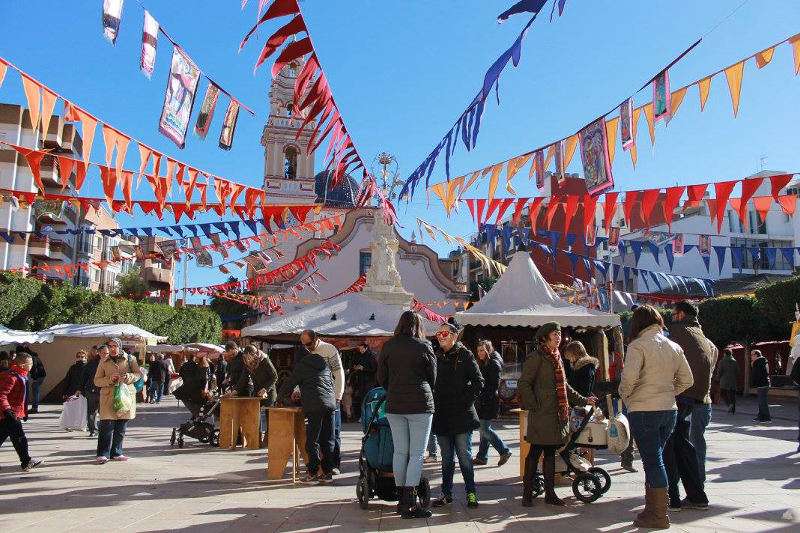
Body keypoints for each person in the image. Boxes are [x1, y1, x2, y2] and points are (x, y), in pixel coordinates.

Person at [619, 305, 693, 529]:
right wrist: (669, 392)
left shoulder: (637, 346)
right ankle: (653, 509)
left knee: (653, 461)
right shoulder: (674, 346)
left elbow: (628, 379)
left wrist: (626, 396)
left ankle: (659, 514)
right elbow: (687, 380)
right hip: (669, 410)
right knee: (656, 458)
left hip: (644, 409)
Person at [519, 322, 594, 507]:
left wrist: (584, 400)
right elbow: (524, 384)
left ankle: (550, 494)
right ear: (544, 337)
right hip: (542, 414)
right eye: (555, 334)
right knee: (535, 452)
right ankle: (527, 495)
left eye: (560, 334)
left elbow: (565, 387)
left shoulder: (557, 356)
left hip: (556, 414)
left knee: (551, 453)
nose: (558, 337)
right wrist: (534, 405)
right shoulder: (536, 357)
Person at [378, 311, 437, 519]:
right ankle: (410, 502)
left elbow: (381, 377)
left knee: (400, 452)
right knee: (416, 453)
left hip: (395, 404)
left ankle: (402, 499)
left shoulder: (388, 346)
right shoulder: (424, 346)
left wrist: (394, 388)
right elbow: (432, 377)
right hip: (420, 403)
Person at [665, 300, 717, 503]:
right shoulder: (702, 336)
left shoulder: (678, 332)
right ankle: (696, 490)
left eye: (674, 313)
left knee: (677, 445)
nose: (672, 317)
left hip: (683, 395)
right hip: (703, 397)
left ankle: (677, 494)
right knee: (693, 445)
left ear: (680, 315)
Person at [430, 318, 484, 509]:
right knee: (446, 459)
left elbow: (479, 382)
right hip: (442, 415)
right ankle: (446, 494)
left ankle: (471, 493)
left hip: (462, 415)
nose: (441, 337)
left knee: (464, 456)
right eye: (438, 334)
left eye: (444, 334)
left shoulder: (465, 355)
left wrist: (464, 400)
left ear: (453, 336)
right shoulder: (435, 356)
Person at [278, 340, 337, 484]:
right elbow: (329, 381)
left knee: (312, 440)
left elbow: (290, 382)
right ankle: (328, 472)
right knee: (328, 438)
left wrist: (279, 397)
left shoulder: (302, 366)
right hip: (330, 403)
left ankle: (312, 473)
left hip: (314, 405)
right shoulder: (324, 364)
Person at [300, 330, 344, 474]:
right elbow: (302, 374)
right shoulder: (306, 352)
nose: (307, 347)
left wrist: (338, 394)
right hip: (315, 398)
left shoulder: (329, 349)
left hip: (331, 396)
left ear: (316, 339)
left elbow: (338, 372)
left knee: (333, 432)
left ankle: (334, 464)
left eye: (309, 344)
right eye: (304, 344)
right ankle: (321, 466)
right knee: (318, 435)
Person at [93, 338, 140, 463]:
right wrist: (109, 379)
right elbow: (97, 381)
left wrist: (128, 376)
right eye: (110, 346)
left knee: (121, 427)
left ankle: (117, 453)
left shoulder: (130, 359)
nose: (112, 348)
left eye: (115, 346)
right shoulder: (103, 361)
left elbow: (138, 374)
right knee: (106, 427)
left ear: (120, 346)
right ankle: (103, 454)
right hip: (108, 397)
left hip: (125, 397)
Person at [0, 353, 43, 471]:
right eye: (30, 364)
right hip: (8, 414)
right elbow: (1, 395)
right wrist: (7, 410)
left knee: (14, 438)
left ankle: (26, 461)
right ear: (23, 365)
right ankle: (26, 461)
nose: (32, 367)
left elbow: (22, 398)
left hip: (13, 413)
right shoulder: (11, 377)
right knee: (20, 438)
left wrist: (23, 413)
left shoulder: (22, 376)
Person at [473, 339, 512, 467]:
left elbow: (493, 386)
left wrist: (481, 393)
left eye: (482, 350)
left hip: (488, 401)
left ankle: (504, 450)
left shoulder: (493, 363)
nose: (480, 353)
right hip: (485, 400)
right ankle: (482, 456)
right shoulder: (485, 362)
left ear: (488, 350)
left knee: (483, 428)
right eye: (478, 351)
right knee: (484, 429)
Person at [242, 345, 277, 445]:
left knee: (269, 415)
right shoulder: (247, 362)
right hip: (257, 391)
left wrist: (265, 389)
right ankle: (256, 439)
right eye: (246, 357)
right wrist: (235, 390)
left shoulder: (264, 360)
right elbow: (243, 378)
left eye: (249, 357)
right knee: (254, 414)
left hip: (269, 391)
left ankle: (269, 439)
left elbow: (274, 376)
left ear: (254, 354)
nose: (248, 360)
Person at [176, 352, 210, 418]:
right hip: (198, 387)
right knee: (198, 403)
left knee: (192, 401)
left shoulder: (199, 367)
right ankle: (197, 415)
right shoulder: (199, 366)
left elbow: (204, 379)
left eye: (197, 358)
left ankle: (196, 415)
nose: (196, 359)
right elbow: (205, 379)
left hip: (194, 386)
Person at [350, 342, 378, 421]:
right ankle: (363, 416)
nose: (360, 350)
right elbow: (354, 365)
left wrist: (363, 368)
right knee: (362, 399)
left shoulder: (371, 356)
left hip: (369, 382)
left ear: (366, 348)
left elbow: (374, 369)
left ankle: (372, 416)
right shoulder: (359, 356)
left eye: (362, 348)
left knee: (369, 399)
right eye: (359, 348)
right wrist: (356, 367)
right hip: (361, 381)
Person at [82, 346, 105, 436]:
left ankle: (93, 431)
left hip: (91, 390)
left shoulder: (90, 363)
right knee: (102, 411)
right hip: (101, 390)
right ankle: (101, 429)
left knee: (91, 411)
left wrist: (81, 389)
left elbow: (84, 377)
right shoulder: (106, 363)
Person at [750, 349, 771, 423]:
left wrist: (753, 383)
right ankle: (760, 416)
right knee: (761, 401)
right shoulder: (763, 360)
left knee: (762, 402)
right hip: (765, 383)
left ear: (756, 355)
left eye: (752, 355)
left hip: (761, 384)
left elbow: (756, 374)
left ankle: (766, 418)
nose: (751, 357)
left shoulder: (757, 362)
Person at [24, 348, 46, 414]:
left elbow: (34, 367)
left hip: (38, 376)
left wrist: (35, 378)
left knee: (35, 391)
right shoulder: (34, 357)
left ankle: (35, 408)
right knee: (35, 391)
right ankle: (35, 407)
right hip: (40, 375)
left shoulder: (33, 358)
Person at [718, 348, 738, 414]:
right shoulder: (734, 361)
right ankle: (733, 410)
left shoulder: (722, 361)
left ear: (724, 354)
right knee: (732, 395)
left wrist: (717, 378)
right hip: (733, 380)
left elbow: (720, 371)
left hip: (724, 380)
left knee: (723, 393)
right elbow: (737, 371)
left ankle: (729, 405)